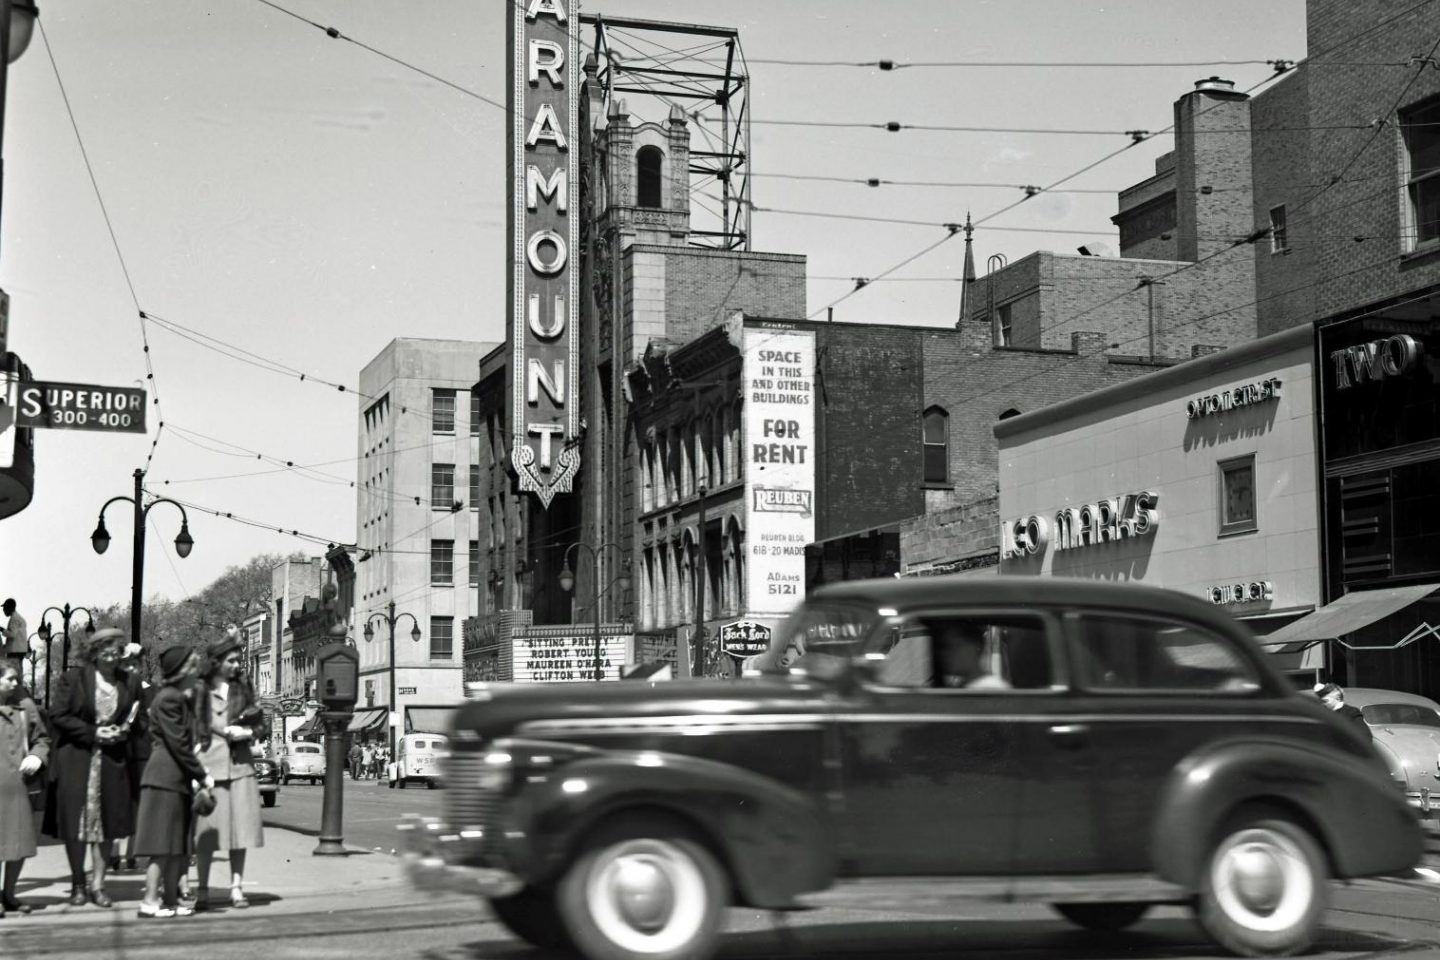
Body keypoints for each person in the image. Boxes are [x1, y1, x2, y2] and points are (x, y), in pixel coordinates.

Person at [48, 627, 141, 908]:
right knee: (76, 825)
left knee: (107, 826)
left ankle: (99, 886)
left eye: (116, 648)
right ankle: (79, 883)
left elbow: (138, 720)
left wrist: (123, 732)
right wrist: (93, 733)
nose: (111, 654)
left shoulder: (130, 682)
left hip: (113, 762)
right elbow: (58, 716)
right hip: (77, 760)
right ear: (94, 652)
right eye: (105, 648)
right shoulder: (73, 679)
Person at [134, 643, 212, 919]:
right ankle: (150, 900)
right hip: (164, 777)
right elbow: (178, 744)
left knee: (175, 845)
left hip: (174, 777)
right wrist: (202, 775)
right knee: (161, 844)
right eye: (192, 665)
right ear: (179, 671)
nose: (197, 669)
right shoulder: (169, 698)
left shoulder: (178, 697)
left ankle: (168, 900)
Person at [193, 630, 266, 910]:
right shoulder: (200, 689)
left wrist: (246, 731)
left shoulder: (243, 688)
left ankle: (237, 887)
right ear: (217, 661)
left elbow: (262, 724)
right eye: (231, 661)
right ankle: (202, 889)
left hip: (240, 767)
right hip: (210, 768)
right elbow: (192, 728)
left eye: (238, 661)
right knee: (207, 834)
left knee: (241, 833)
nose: (237, 666)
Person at [0, 661, 49, 918]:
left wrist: (38, 756)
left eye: (16, 678)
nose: (15, 683)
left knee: (17, 844)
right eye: (9, 678)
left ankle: (9, 894)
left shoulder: (24, 708)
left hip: (16, 787)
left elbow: (42, 738)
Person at [118, 643, 154, 873]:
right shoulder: (117, 689)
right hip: (119, 751)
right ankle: (115, 851)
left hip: (140, 752)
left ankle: (132, 851)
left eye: (135, 665)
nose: (132, 669)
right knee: (118, 802)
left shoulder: (149, 691)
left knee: (136, 803)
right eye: (127, 665)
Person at [934, 621, 1011, 690]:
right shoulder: (962, 687)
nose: (946, 654)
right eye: (945, 648)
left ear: (976, 647)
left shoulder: (991, 688)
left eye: (956, 646)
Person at [1, 600, 27, 671]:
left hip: (14, 651)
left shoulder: (14, 619)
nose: (3, 610)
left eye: (5, 608)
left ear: (10, 607)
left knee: (13, 672)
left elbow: (12, 634)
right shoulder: (19, 618)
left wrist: (2, 629)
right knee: (17, 671)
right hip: (19, 650)